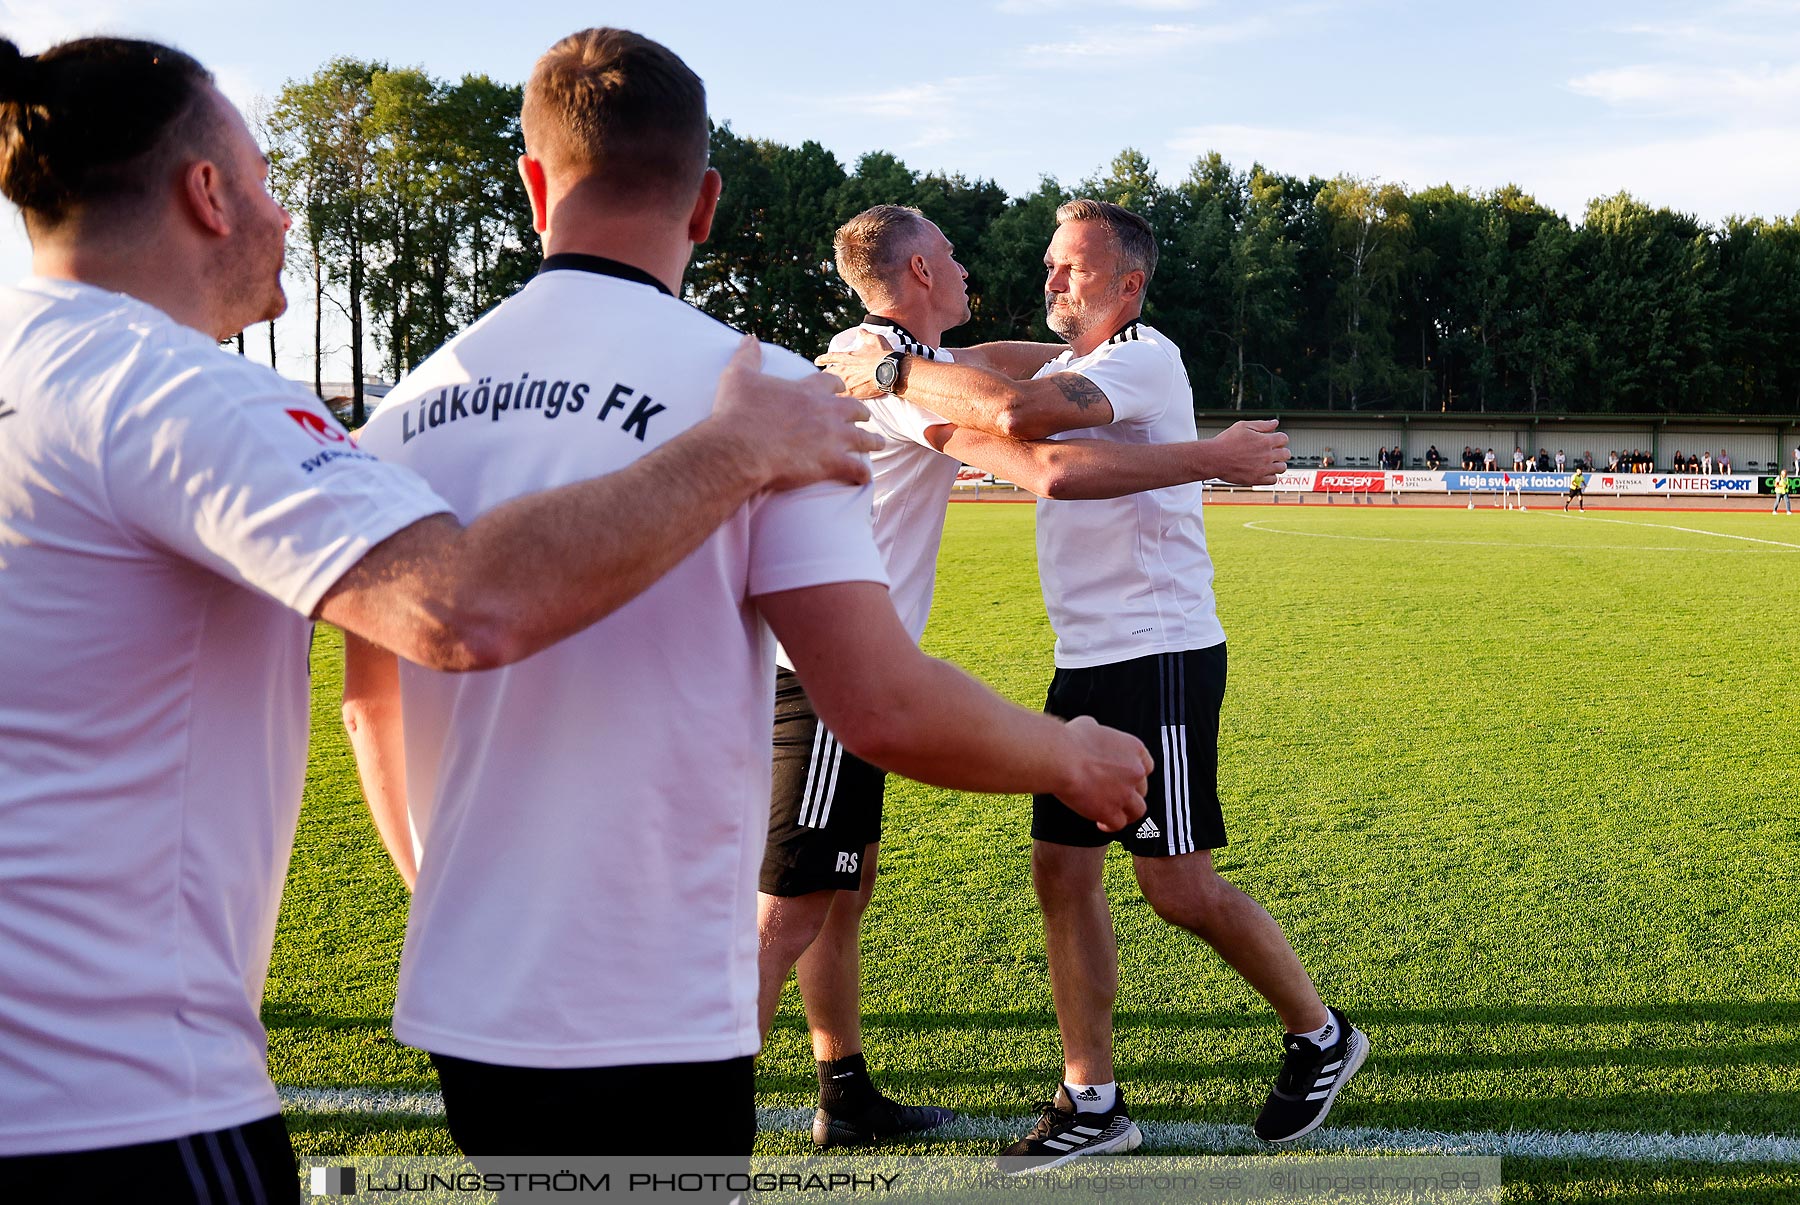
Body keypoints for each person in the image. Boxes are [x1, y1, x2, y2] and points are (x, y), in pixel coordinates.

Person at [0, 35, 884, 1204]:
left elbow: (375, 699)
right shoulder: (169, 388)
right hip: (108, 1098)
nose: (282, 219)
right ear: (205, 195)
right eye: (266, 183)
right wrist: (736, 445)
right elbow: (458, 606)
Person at [343, 30, 1152, 1162]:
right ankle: (836, 1076)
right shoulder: (766, 394)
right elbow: (872, 696)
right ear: (707, 198)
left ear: (532, 184)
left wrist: (442, 889)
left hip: (466, 986)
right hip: (656, 998)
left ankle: (843, 1076)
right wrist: (1071, 754)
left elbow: (369, 700)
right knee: (786, 925)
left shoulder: (408, 409)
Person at [817, 199, 1366, 1163]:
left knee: (1180, 888)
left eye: (1073, 266)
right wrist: (880, 349)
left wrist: (897, 369)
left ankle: (1321, 1034)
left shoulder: (1142, 355)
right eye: (1050, 263)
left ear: (1128, 284)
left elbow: (1039, 441)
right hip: (1090, 656)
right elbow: (999, 360)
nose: (1052, 277)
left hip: (1159, 650)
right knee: (1061, 872)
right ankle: (1093, 1099)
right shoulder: (1076, 356)